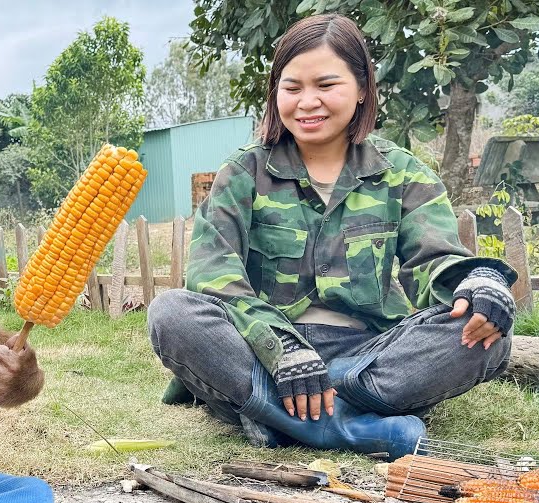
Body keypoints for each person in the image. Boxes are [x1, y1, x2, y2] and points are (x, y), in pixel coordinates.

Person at [148, 14, 516, 459]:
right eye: (292, 87)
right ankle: (338, 424)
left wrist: (479, 281)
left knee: (488, 335)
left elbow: (434, 257)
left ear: (362, 89)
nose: (307, 102)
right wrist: (280, 346)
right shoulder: (243, 173)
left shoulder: (402, 173)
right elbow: (212, 272)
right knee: (171, 313)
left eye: (326, 85)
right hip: (261, 345)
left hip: (369, 351)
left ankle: (277, 411)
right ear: (275, 93)